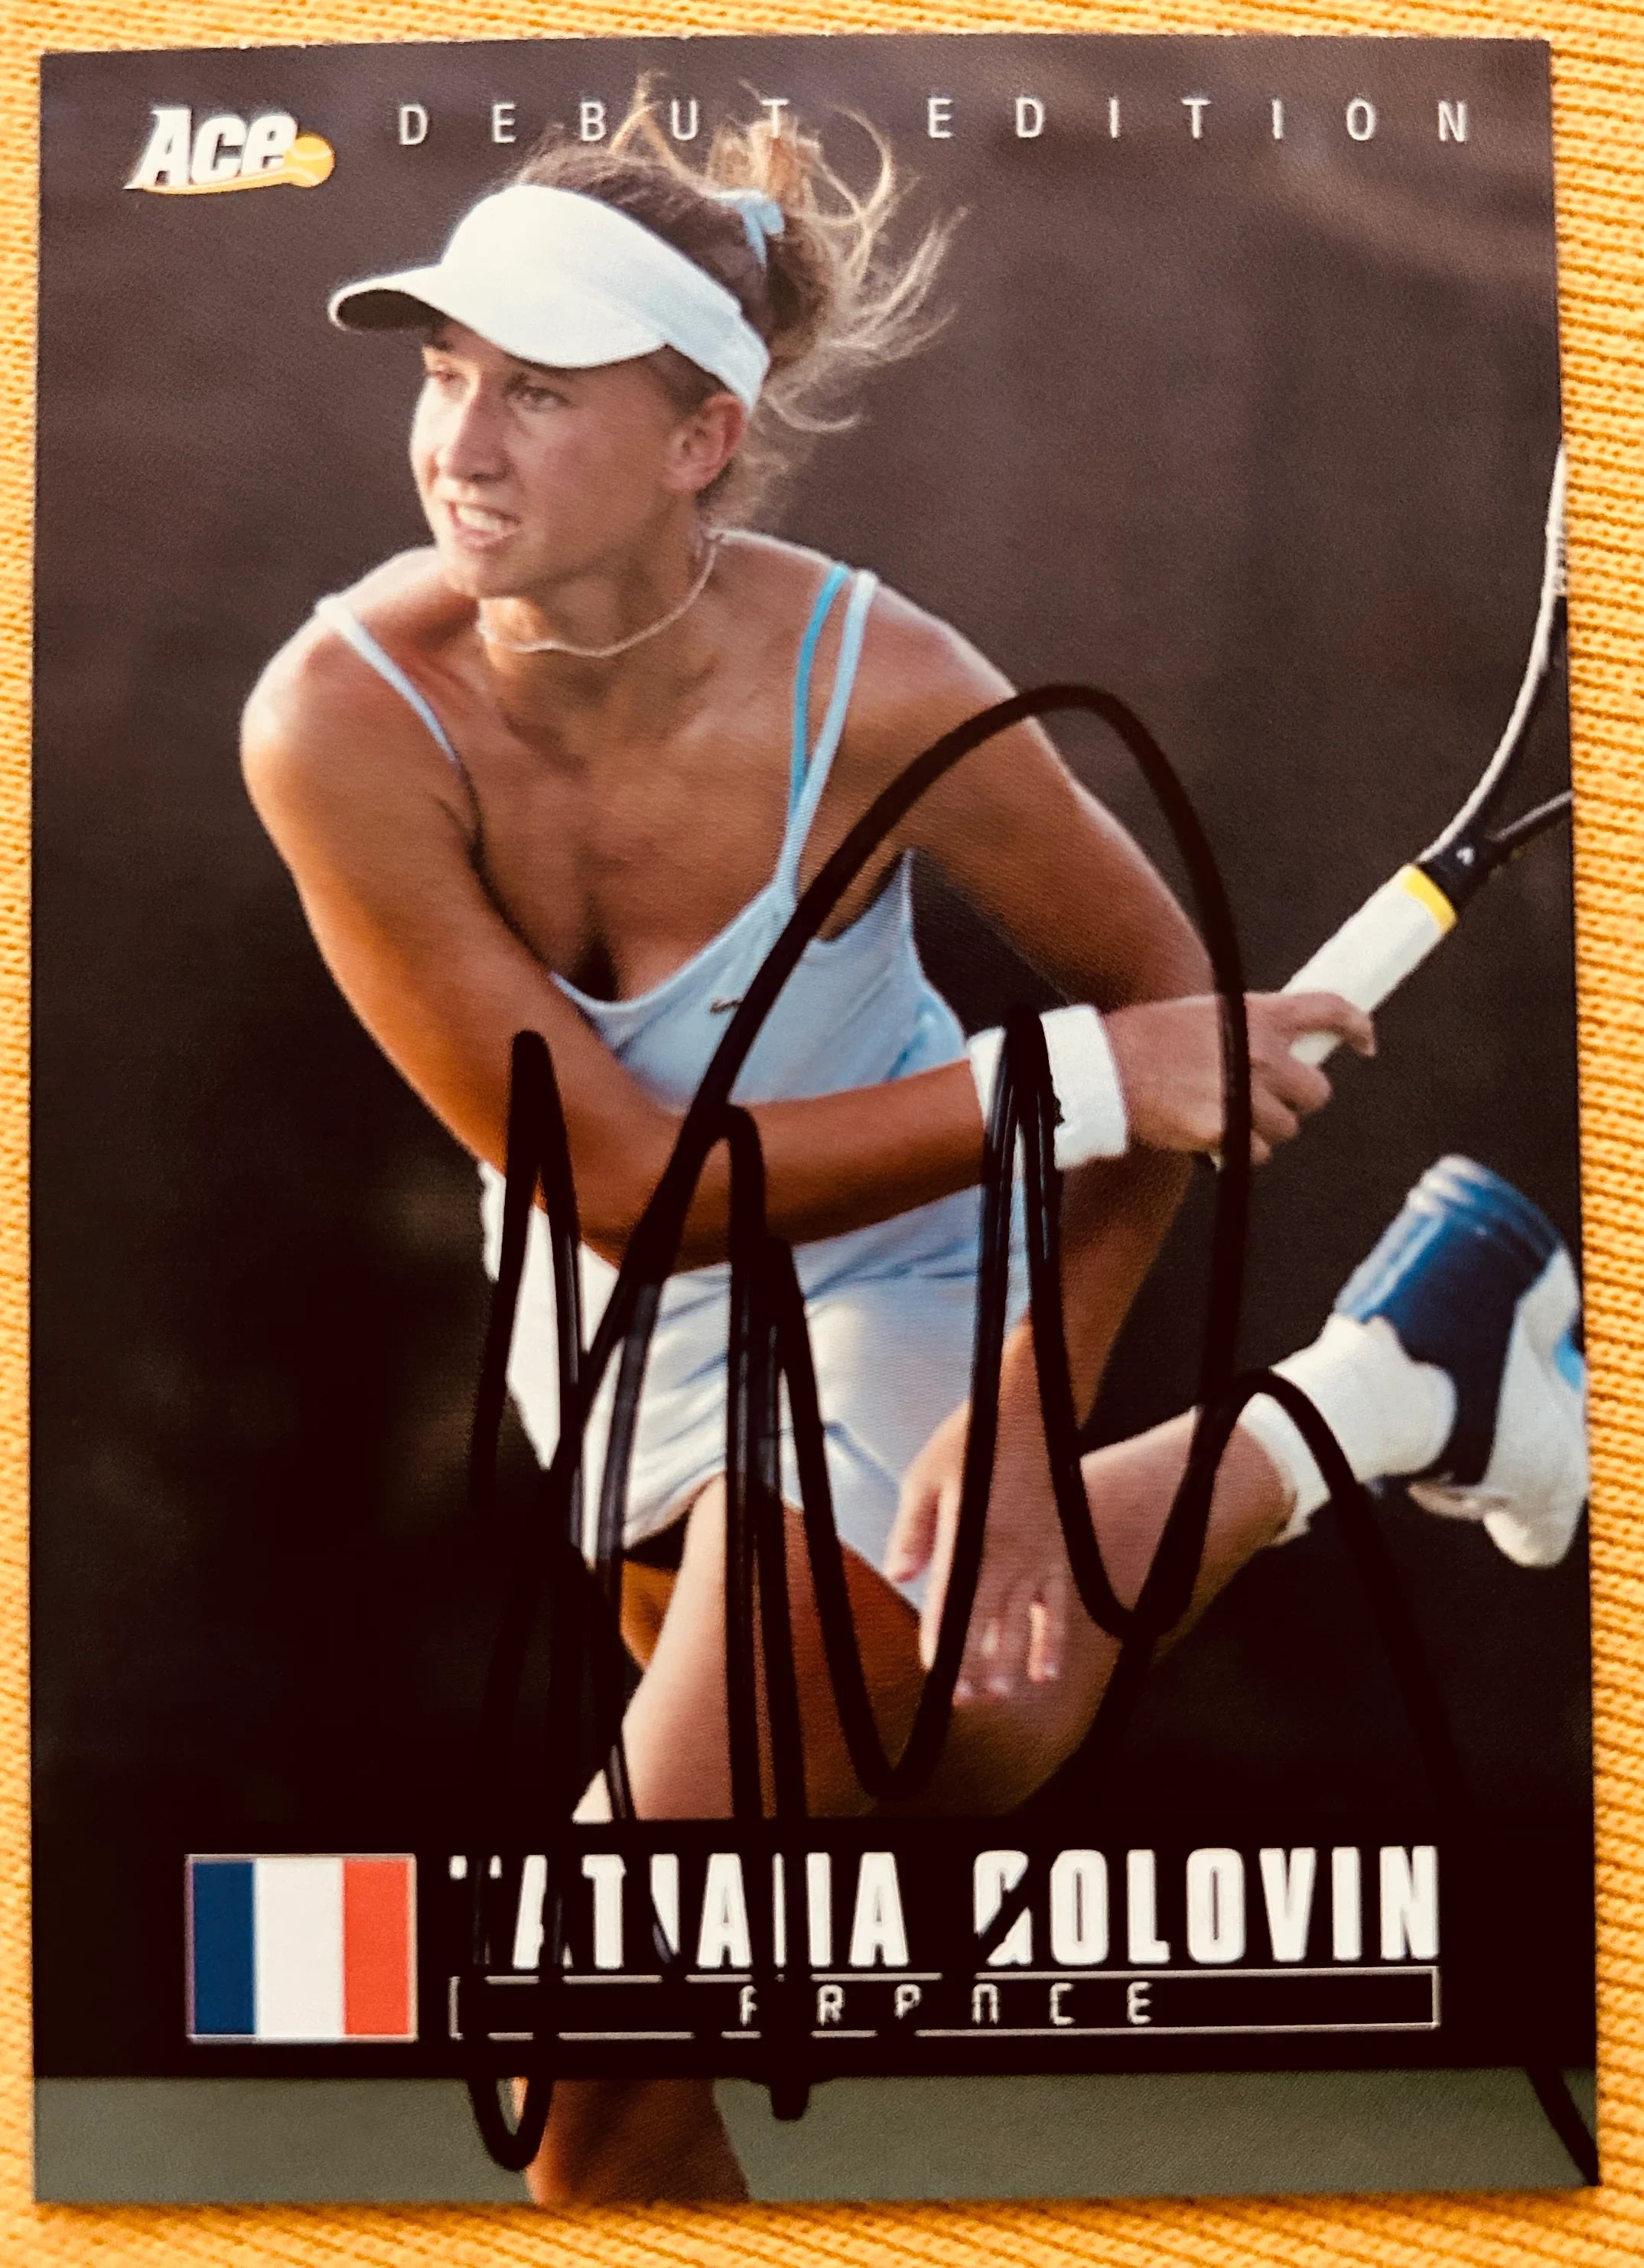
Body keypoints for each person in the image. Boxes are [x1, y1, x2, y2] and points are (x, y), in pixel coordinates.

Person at [242, 99, 1587, 2204]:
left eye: (540, 392)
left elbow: (1165, 999)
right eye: (447, 372)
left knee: (586, 2045)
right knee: (954, 1753)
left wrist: (1031, 1397)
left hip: (897, 1288)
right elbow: (619, 1177)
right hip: (618, 1324)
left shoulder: (878, 685)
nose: (461, 446)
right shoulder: (338, 720)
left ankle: (1384, 1385)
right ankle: (1390, 1382)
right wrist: (1077, 1082)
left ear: (700, 440)